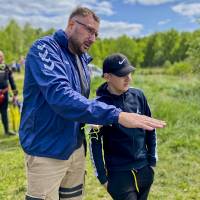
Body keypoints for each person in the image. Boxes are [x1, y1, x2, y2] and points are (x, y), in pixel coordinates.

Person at [19, 7, 166, 200]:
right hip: (47, 151)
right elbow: (61, 97)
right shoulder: (45, 49)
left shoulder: (81, 60)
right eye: (89, 30)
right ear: (72, 24)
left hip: (75, 149)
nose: (93, 38)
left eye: (96, 33)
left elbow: (82, 104)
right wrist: (118, 115)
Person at [90, 53, 157, 200]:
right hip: (118, 174)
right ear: (107, 77)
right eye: (122, 75)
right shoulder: (98, 106)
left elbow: (150, 129)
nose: (129, 78)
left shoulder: (139, 96)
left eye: (129, 73)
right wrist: (103, 178)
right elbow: (94, 144)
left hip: (144, 168)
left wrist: (152, 162)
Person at [0, 50, 18, 136]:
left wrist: (15, 94)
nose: (0, 58)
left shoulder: (6, 67)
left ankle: (7, 131)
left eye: (1, 56)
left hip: (4, 94)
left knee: (4, 112)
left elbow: (12, 81)